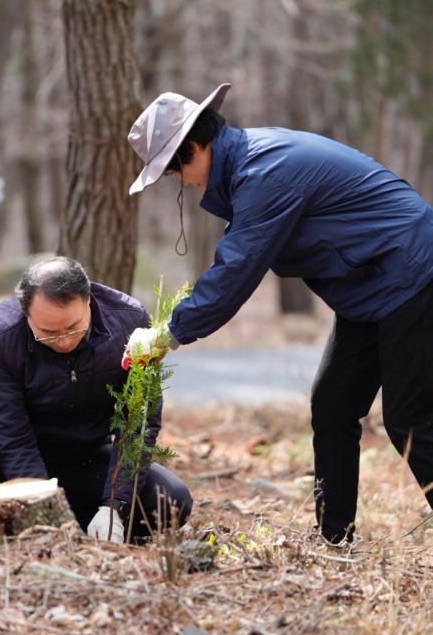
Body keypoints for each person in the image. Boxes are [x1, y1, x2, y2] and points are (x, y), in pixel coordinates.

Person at [127, 83, 433, 543]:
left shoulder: (266, 172)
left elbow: (235, 272)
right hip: (371, 288)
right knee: (333, 404)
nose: (182, 182)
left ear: (194, 147)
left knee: (408, 419)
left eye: (175, 170)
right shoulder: (250, 167)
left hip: (412, 273)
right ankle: (334, 537)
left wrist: (167, 333)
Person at [0, 256, 193, 542]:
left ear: (88, 302)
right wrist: (45, 511)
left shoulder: (129, 321)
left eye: (73, 328)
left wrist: (114, 506)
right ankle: (8, 526)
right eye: (47, 334)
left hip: (82, 458)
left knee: (173, 500)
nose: (63, 341)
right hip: (5, 459)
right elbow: (12, 436)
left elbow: (138, 422)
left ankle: (93, 527)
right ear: (26, 314)